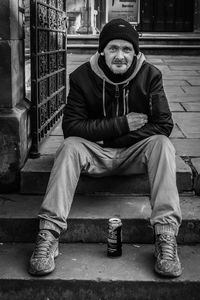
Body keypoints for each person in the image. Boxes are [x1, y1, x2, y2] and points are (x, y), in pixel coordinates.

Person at [29, 18, 182, 278]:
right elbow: (72, 128)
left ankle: (165, 238)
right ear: (102, 51)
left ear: (135, 53)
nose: (120, 56)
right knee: (69, 147)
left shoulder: (150, 75)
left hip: (134, 153)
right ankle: (48, 235)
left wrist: (113, 138)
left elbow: (163, 125)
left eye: (126, 49)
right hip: (95, 155)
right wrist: (122, 124)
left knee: (163, 145)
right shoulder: (81, 77)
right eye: (113, 49)